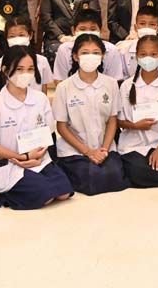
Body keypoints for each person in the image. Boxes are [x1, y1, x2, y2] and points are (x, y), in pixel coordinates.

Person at [0, 46, 73, 209]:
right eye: (19, 69)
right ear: (5, 70)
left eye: (30, 69)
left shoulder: (40, 99)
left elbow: (47, 134)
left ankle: (35, 181)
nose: (25, 74)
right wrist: (22, 157)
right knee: (44, 196)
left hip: (39, 159)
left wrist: (38, 156)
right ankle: (7, 193)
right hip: (10, 163)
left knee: (64, 192)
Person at [51, 34, 125, 196]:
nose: (90, 57)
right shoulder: (64, 87)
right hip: (75, 150)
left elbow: (112, 120)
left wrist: (104, 149)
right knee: (93, 178)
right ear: (75, 56)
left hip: (104, 146)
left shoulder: (111, 84)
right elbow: (61, 127)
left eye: (96, 52)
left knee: (115, 176)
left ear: (102, 56)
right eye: (85, 53)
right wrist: (88, 152)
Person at [118, 35, 158, 188]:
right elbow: (119, 120)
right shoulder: (126, 86)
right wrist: (135, 126)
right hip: (134, 144)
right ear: (137, 56)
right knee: (139, 172)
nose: (148, 58)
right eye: (143, 54)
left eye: (153, 54)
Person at [52, 10, 127, 81]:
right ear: (73, 30)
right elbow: (60, 79)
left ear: (100, 31)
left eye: (93, 29)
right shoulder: (64, 49)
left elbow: (115, 80)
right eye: (82, 29)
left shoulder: (111, 49)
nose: (88, 33)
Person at [4, 15, 54, 91]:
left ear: (30, 35)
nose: (17, 39)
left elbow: (43, 90)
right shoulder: (0, 63)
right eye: (12, 36)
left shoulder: (42, 61)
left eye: (21, 35)